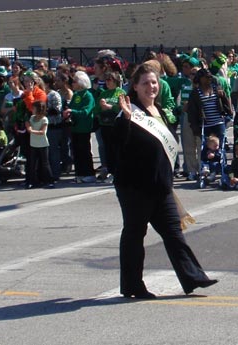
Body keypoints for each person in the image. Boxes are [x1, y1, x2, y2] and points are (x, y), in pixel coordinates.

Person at [114, 63, 218, 299]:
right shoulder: (129, 111)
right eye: (145, 83)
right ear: (135, 87)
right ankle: (132, 285)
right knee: (134, 233)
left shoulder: (158, 109)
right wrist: (126, 120)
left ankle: (193, 277)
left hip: (161, 187)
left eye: (154, 82)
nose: (151, 87)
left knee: (174, 233)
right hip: (135, 187)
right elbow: (118, 146)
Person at [62, 71, 96, 183]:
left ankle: (89, 173)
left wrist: (73, 111)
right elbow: (71, 107)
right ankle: (80, 173)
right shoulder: (76, 95)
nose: (73, 83)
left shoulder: (88, 95)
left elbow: (86, 111)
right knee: (76, 152)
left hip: (84, 128)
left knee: (85, 151)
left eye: (75, 81)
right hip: (75, 128)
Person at [94, 71, 126, 182]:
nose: (107, 82)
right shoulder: (104, 93)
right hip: (105, 125)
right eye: (106, 80)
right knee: (107, 149)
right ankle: (110, 170)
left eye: (109, 80)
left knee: (116, 149)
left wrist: (109, 107)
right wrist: (101, 108)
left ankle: (117, 172)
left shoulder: (120, 92)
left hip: (116, 125)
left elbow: (122, 108)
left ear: (115, 81)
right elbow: (96, 109)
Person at [25, 100, 54, 189]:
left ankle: (49, 181)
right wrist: (28, 126)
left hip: (43, 144)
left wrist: (31, 130)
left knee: (45, 163)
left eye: (33, 108)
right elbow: (28, 125)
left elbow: (42, 132)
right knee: (32, 163)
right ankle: (32, 182)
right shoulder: (32, 118)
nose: (32, 110)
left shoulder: (44, 119)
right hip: (33, 144)